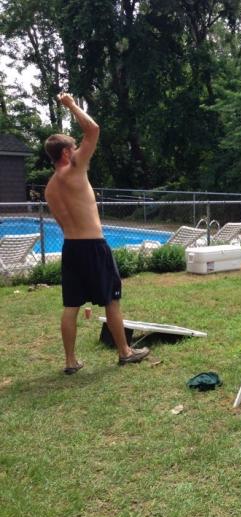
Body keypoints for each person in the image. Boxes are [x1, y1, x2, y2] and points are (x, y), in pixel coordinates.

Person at [44, 93, 150, 374]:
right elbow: (93, 129)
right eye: (74, 147)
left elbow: (60, 222)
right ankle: (125, 352)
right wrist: (70, 105)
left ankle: (70, 362)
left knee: (71, 305)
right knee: (111, 300)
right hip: (93, 245)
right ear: (66, 153)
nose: (78, 149)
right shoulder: (75, 169)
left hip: (71, 247)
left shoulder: (50, 189)